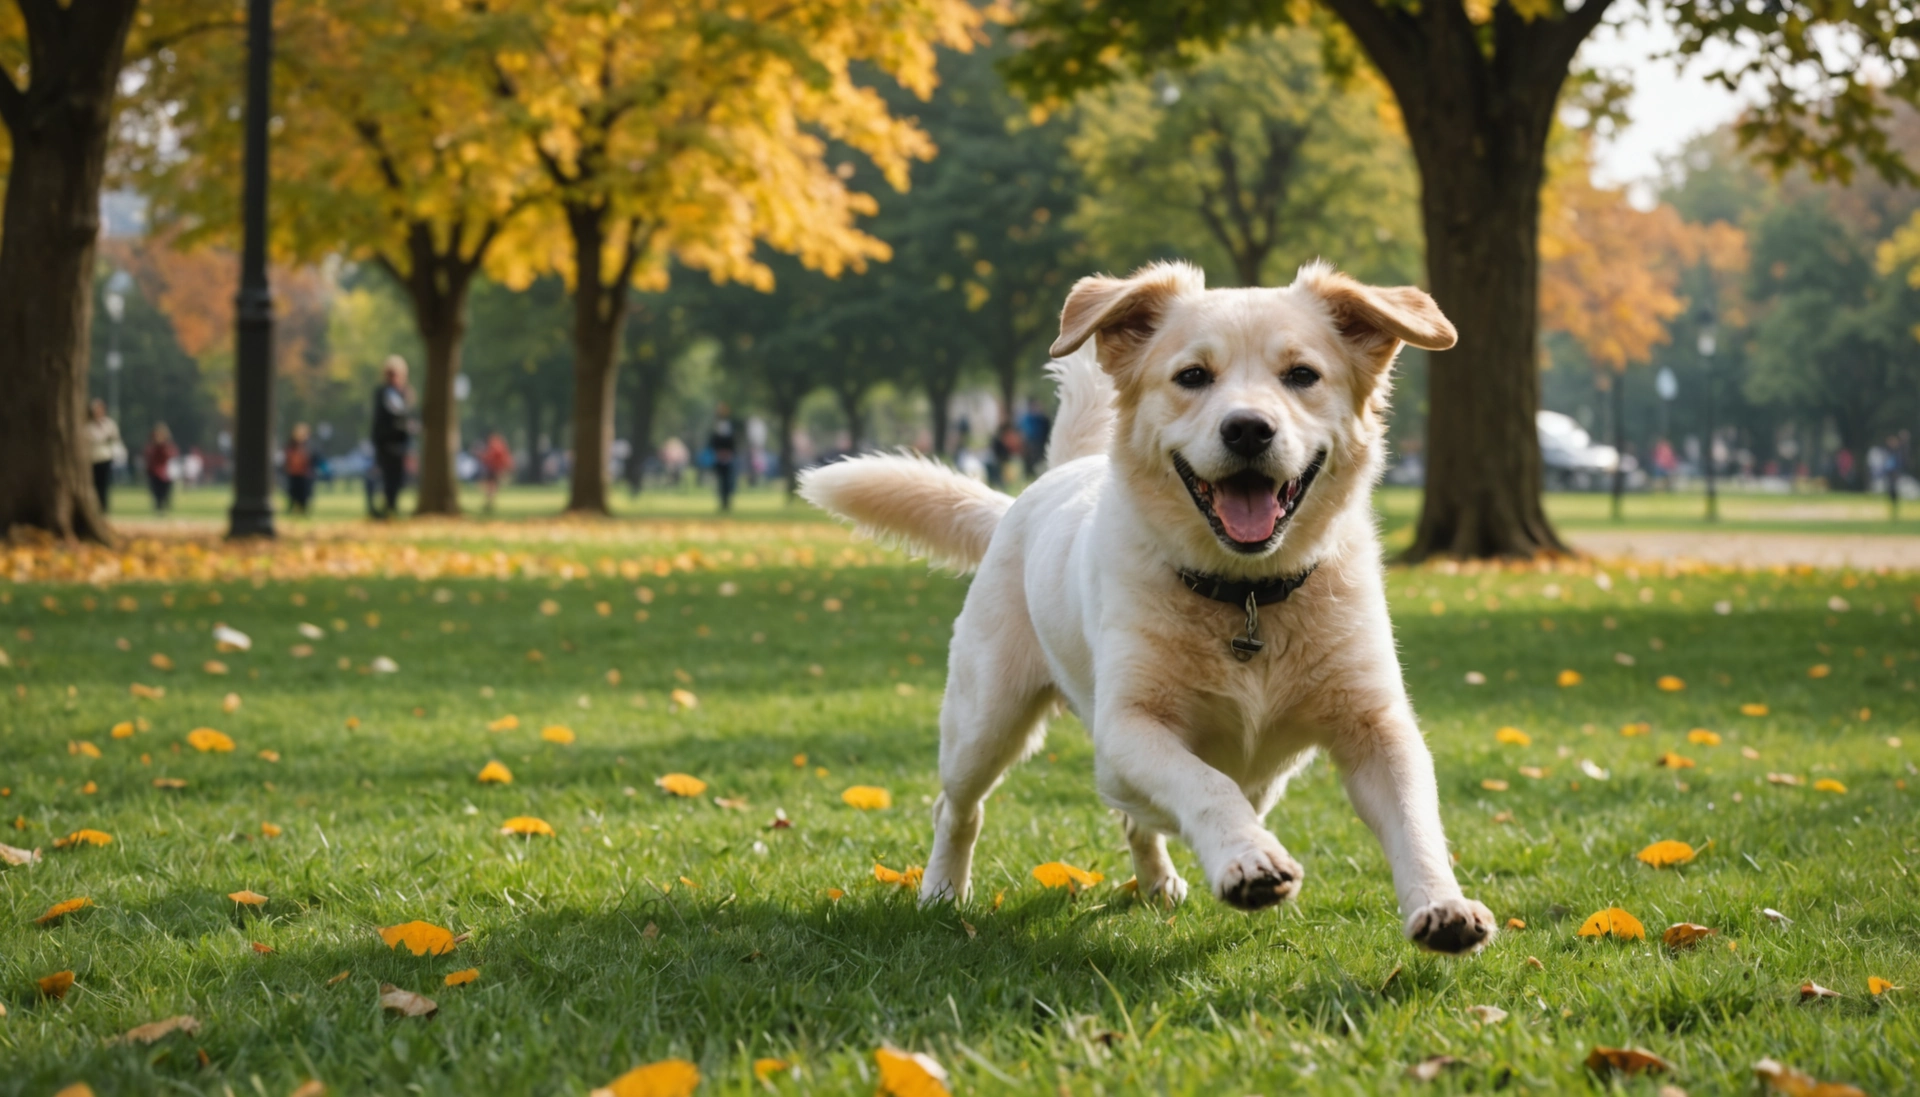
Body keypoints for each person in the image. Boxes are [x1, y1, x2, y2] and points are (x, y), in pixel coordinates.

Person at [370, 355, 412, 518]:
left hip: (400, 443)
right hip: (385, 443)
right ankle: (386, 507)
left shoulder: (405, 393)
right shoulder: (383, 393)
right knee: (385, 477)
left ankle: (392, 505)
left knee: (399, 478)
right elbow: (383, 419)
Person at [85, 399, 122, 512]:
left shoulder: (109, 424)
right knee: (94, 485)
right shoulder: (88, 425)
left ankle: (104, 508)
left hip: (105, 458)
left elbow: (115, 439)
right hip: (92, 458)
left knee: (104, 485)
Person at [708, 402, 740, 512]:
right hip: (719, 456)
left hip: (728, 456)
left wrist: (728, 452)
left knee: (728, 481)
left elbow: (732, 442)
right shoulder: (716, 425)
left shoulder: (730, 425)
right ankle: (722, 502)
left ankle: (727, 502)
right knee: (721, 481)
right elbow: (713, 441)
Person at [143, 424, 177, 513]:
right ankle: (159, 506)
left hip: (165, 472)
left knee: (165, 491)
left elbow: (171, 455)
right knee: (156, 491)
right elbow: (148, 456)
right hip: (154, 471)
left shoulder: (167, 446)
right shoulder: (151, 446)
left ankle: (164, 504)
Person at [284, 422, 315, 516]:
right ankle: (292, 508)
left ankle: (303, 510)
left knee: (304, 494)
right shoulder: (291, 445)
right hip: (293, 473)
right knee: (293, 492)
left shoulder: (308, 446)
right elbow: (287, 458)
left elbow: (311, 459)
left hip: (304, 474)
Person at [480, 431, 513, 514]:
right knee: (492, 486)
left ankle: (489, 502)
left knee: (490, 486)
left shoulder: (494, 445)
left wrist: (483, 458)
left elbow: (491, 457)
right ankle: (489, 502)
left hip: (493, 469)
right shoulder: (499, 445)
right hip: (495, 469)